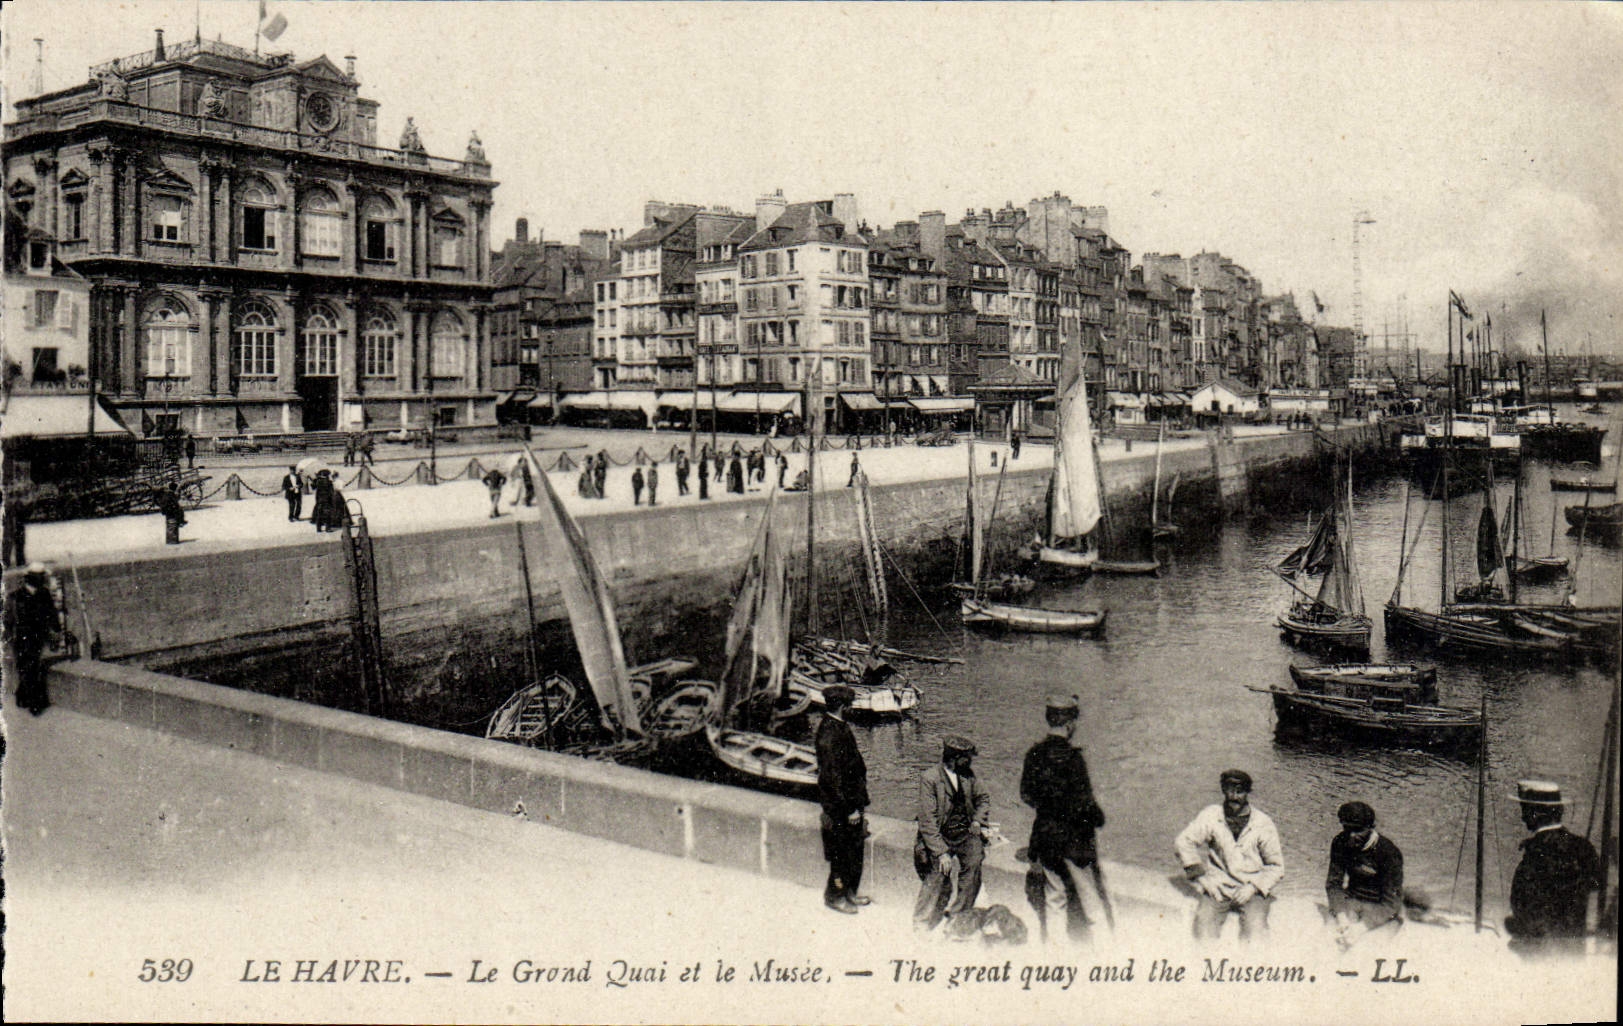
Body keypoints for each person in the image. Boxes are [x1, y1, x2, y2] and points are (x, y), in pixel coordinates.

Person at [1021, 694, 1110, 943]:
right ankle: (1107, 953)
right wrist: (1097, 818)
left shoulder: (1034, 754)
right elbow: (1085, 802)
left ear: (1049, 719)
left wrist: (1048, 807)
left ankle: (1056, 954)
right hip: (1074, 840)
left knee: (1054, 898)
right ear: (1070, 723)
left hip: (1046, 837)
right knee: (1092, 901)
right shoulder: (1073, 759)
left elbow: (1026, 794)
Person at [1174, 769, 1284, 942]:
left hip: (1251, 890)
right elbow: (1183, 842)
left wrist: (1253, 887)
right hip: (1219, 888)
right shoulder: (1211, 815)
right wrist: (1202, 878)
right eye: (1229, 790)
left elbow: (1276, 867)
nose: (1234, 797)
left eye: (1239, 791)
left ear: (1248, 793)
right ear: (1223, 790)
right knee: (1203, 931)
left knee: (1256, 934)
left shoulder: (1263, 823)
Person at [1504, 780, 1602, 956]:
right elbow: (1596, 885)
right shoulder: (1583, 846)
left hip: (1541, 954)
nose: (1523, 818)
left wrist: (1512, 926)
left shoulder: (1537, 853)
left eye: (1525, 811)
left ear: (1537, 813)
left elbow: (1524, 909)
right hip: (1575, 949)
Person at [914, 736, 991, 932]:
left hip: (965, 834)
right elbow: (927, 821)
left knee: (974, 862)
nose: (970, 761)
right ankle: (921, 922)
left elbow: (983, 799)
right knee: (938, 872)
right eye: (967, 758)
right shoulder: (930, 778)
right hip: (940, 836)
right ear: (955, 758)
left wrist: (977, 820)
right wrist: (941, 852)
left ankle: (959, 916)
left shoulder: (968, 775)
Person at [815, 684, 870, 914]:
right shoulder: (830, 734)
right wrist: (849, 809)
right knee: (840, 854)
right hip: (841, 808)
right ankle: (835, 895)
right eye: (849, 704)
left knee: (852, 852)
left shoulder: (837, 727)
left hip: (850, 803)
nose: (852, 708)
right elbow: (832, 778)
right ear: (842, 706)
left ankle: (849, 892)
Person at [1325, 801, 1404, 950]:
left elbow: (1391, 903)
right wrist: (1341, 916)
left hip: (1380, 906)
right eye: (1347, 829)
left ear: (1371, 827)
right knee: (1333, 936)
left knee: (1371, 946)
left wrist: (1362, 927)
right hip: (1353, 899)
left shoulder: (1389, 852)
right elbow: (1333, 884)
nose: (1352, 835)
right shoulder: (1340, 842)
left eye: (1358, 830)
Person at [6, 563, 62, 715]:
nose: (43, 580)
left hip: (38, 638)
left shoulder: (44, 594)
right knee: (28, 667)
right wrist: (9, 639)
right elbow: (8, 620)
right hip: (21, 639)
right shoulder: (15, 597)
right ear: (31, 578)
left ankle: (22, 696)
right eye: (40, 577)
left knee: (30, 667)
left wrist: (56, 630)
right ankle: (35, 704)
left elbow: (51, 614)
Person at [4, 485, 31, 567]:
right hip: (15, 526)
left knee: (12, 545)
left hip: (13, 526)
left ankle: (9, 562)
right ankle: (17, 562)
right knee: (16, 545)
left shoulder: (11, 504)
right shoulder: (14, 504)